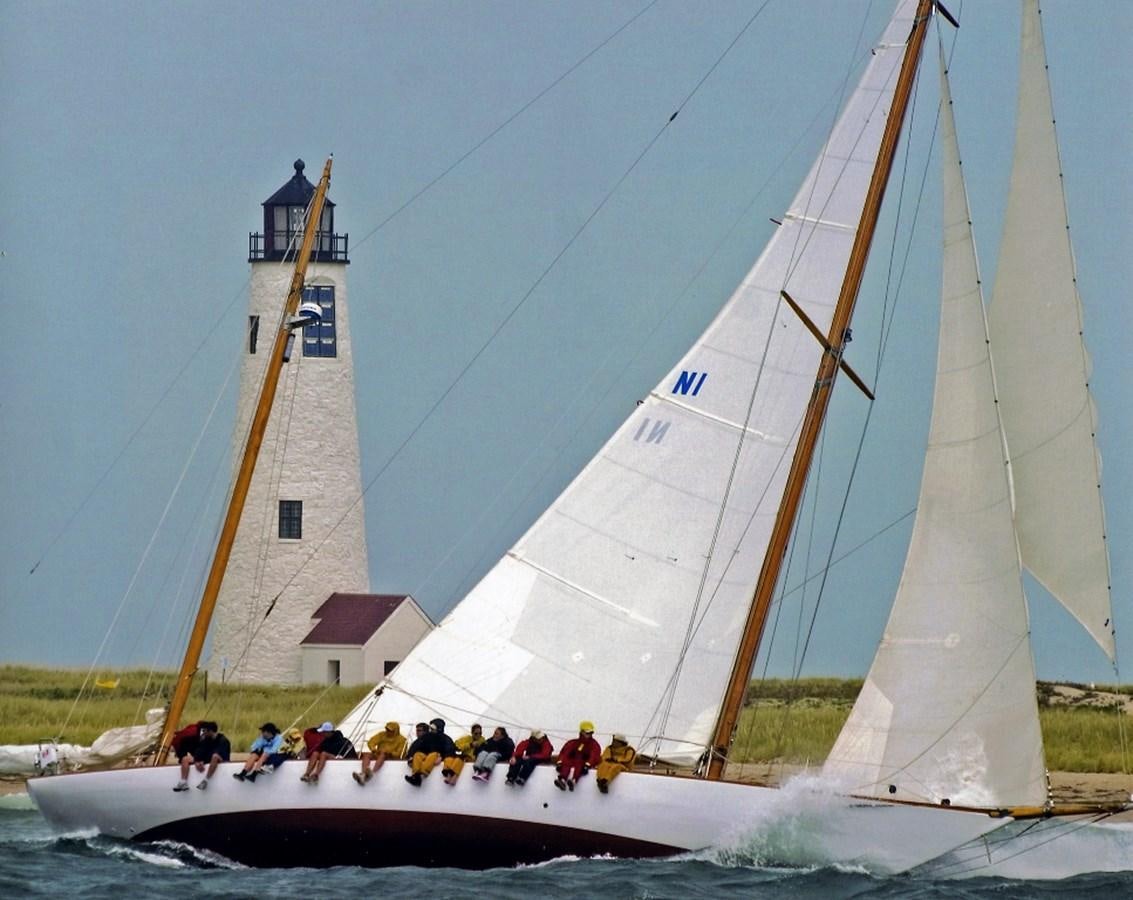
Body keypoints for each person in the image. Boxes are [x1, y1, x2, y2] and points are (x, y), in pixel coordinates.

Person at [172, 721, 230, 792]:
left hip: (222, 758)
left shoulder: (222, 740)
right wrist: (197, 761)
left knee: (215, 756)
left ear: (210, 731)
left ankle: (206, 780)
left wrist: (202, 760)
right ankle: (183, 781)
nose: (203, 733)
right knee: (185, 759)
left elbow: (218, 752)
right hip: (209, 757)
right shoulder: (205, 739)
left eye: (205, 731)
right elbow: (200, 751)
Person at [404, 718, 456, 786]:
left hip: (436, 756)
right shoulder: (426, 736)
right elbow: (417, 746)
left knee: (433, 755)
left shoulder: (446, 739)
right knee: (418, 754)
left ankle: (423, 772)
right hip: (425, 755)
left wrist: (442, 757)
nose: (431, 730)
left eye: (433, 728)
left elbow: (450, 751)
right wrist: (410, 756)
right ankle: (416, 775)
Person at [353, 721, 408, 786]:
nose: (387, 731)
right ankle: (363, 773)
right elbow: (371, 741)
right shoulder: (382, 734)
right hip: (378, 754)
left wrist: (389, 753)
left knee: (382, 755)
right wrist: (373, 749)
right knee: (367, 755)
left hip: (391, 757)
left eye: (390, 730)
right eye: (387, 729)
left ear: (395, 731)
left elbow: (400, 753)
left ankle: (372, 772)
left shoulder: (402, 740)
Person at [554, 720, 601, 791]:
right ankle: (562, 779)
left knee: (579, 764)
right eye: (587, 733)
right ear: (582, 732)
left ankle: (574, 780)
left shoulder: (594, 745)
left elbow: (594, 755)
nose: (589, 734)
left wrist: (588, 765)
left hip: (583, 762)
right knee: (566, 762)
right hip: (574, 760)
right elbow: (564, 752)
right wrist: (559, 762)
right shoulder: (573, 743)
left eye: (591, 733)